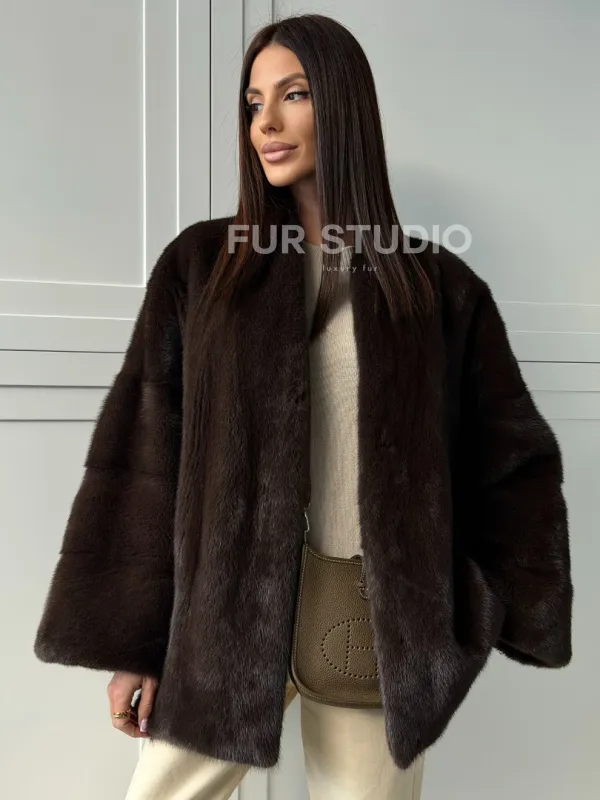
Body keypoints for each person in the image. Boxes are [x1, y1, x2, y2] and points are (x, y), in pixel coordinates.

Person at [33, 13, 573, 800]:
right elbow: (145, 459)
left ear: (343, 104)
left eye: (293, 95)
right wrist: (135, 645)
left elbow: (512, 465)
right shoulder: (202, 269)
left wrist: (460, 610)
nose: (266, 124)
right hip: (224, 622)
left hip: (373, 627)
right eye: (254, 103)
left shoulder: (437, 291)